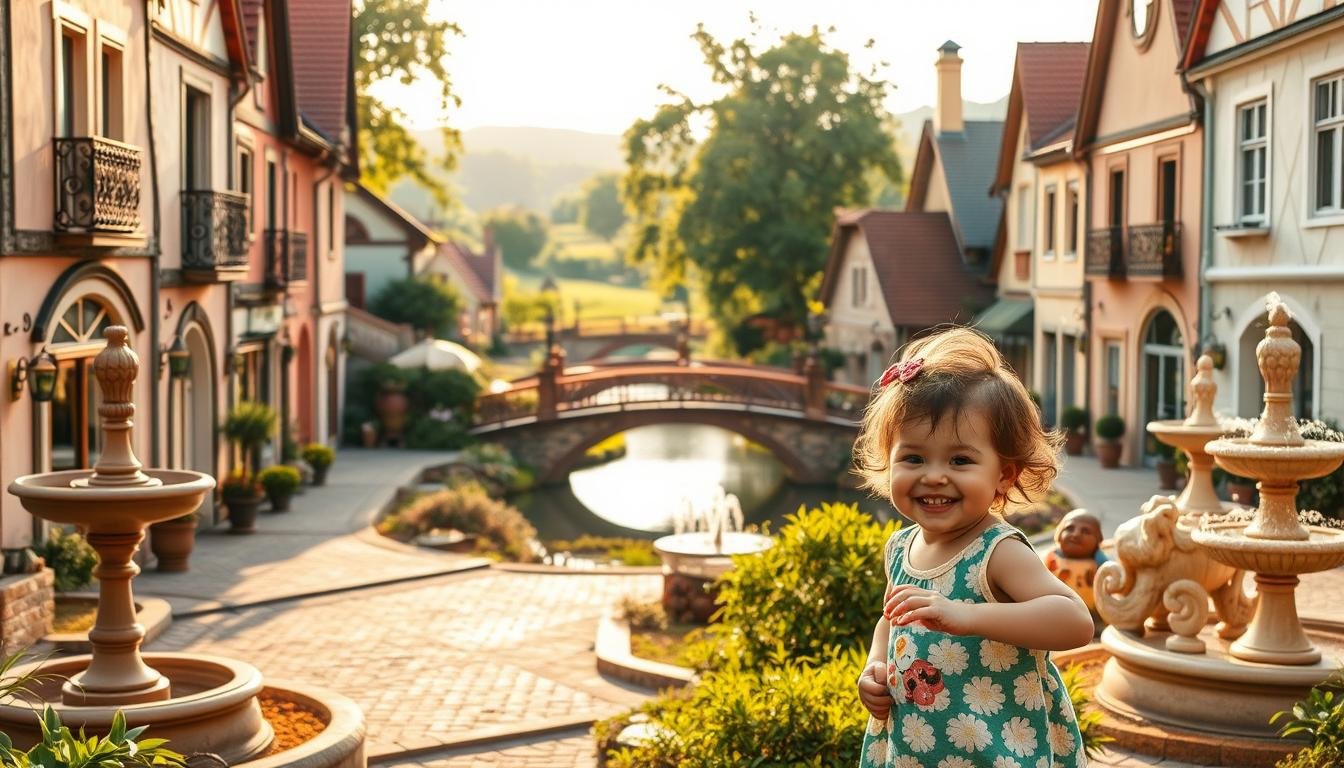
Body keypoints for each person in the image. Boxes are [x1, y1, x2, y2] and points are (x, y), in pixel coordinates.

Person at [852, 328, 1094, 768]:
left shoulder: (997, 552)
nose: (934, 476)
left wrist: (969, 615)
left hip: (997, 748)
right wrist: (875, 666)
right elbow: (892, 620)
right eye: (913, 458)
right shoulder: (901, 547)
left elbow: (1075, 621)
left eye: (960, 460)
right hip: (919, 749)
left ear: (1004, 474)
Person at [1043, 509, 1109, 618]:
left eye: (1086, 531)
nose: (1076, 534)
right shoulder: (1051, 557)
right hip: (1054, 608)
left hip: (1091, 611)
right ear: (1059, 534)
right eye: (1069, 528)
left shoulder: (1099, 561)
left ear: (1098, 539)